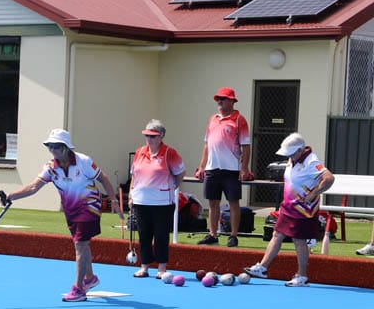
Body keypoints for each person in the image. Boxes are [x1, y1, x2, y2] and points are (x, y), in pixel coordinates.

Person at [4, 129, 124, 302]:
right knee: (82, 244)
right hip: (70, 210)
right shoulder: (51, 168)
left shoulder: (84, 161)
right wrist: (11, 196)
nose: (52, 150)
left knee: (80, 245)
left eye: (56, 146)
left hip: (89, 207)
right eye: (50, 146)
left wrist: (113, 200)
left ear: (66, 147)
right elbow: (33, 187)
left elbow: (103, 178)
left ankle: (78, 289)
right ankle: (90, 278)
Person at [243, 133, 335, 287]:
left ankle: (302, 276)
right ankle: (262, 268)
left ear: (300, 150)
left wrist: (314, 193)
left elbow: (329, 178)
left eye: (291, 153)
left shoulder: (311, 161)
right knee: (277, 234)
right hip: (288, 206)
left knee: (299, 240)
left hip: (303, 209)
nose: (289, 156)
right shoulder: (293, 159)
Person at [195, 87, 251, 248]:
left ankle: (233, 235)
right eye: (218, 99)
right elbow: (207, 145)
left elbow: (246, 146)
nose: (219, 102)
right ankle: (213, 234)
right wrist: (202, 167)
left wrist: (244, 168)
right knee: (213, 203)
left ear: (232, 101)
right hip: (212, 169)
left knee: (233, 202)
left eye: (223, 99)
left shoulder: (239, 120)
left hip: (232, 169)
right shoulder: (213, 119)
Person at [129, 119, 185, 279]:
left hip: (162, 202)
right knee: (144, 234)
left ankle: (161, 268)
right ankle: (144, 267)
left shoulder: (169, 153)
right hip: (141, 201)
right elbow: (134, 176)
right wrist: (131, 195)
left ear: (161, 136)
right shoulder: (139, 152)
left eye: (153, 136)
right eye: (147, 135)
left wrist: (172, 186)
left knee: (161, 235)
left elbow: (180, 173)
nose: (149, 139)